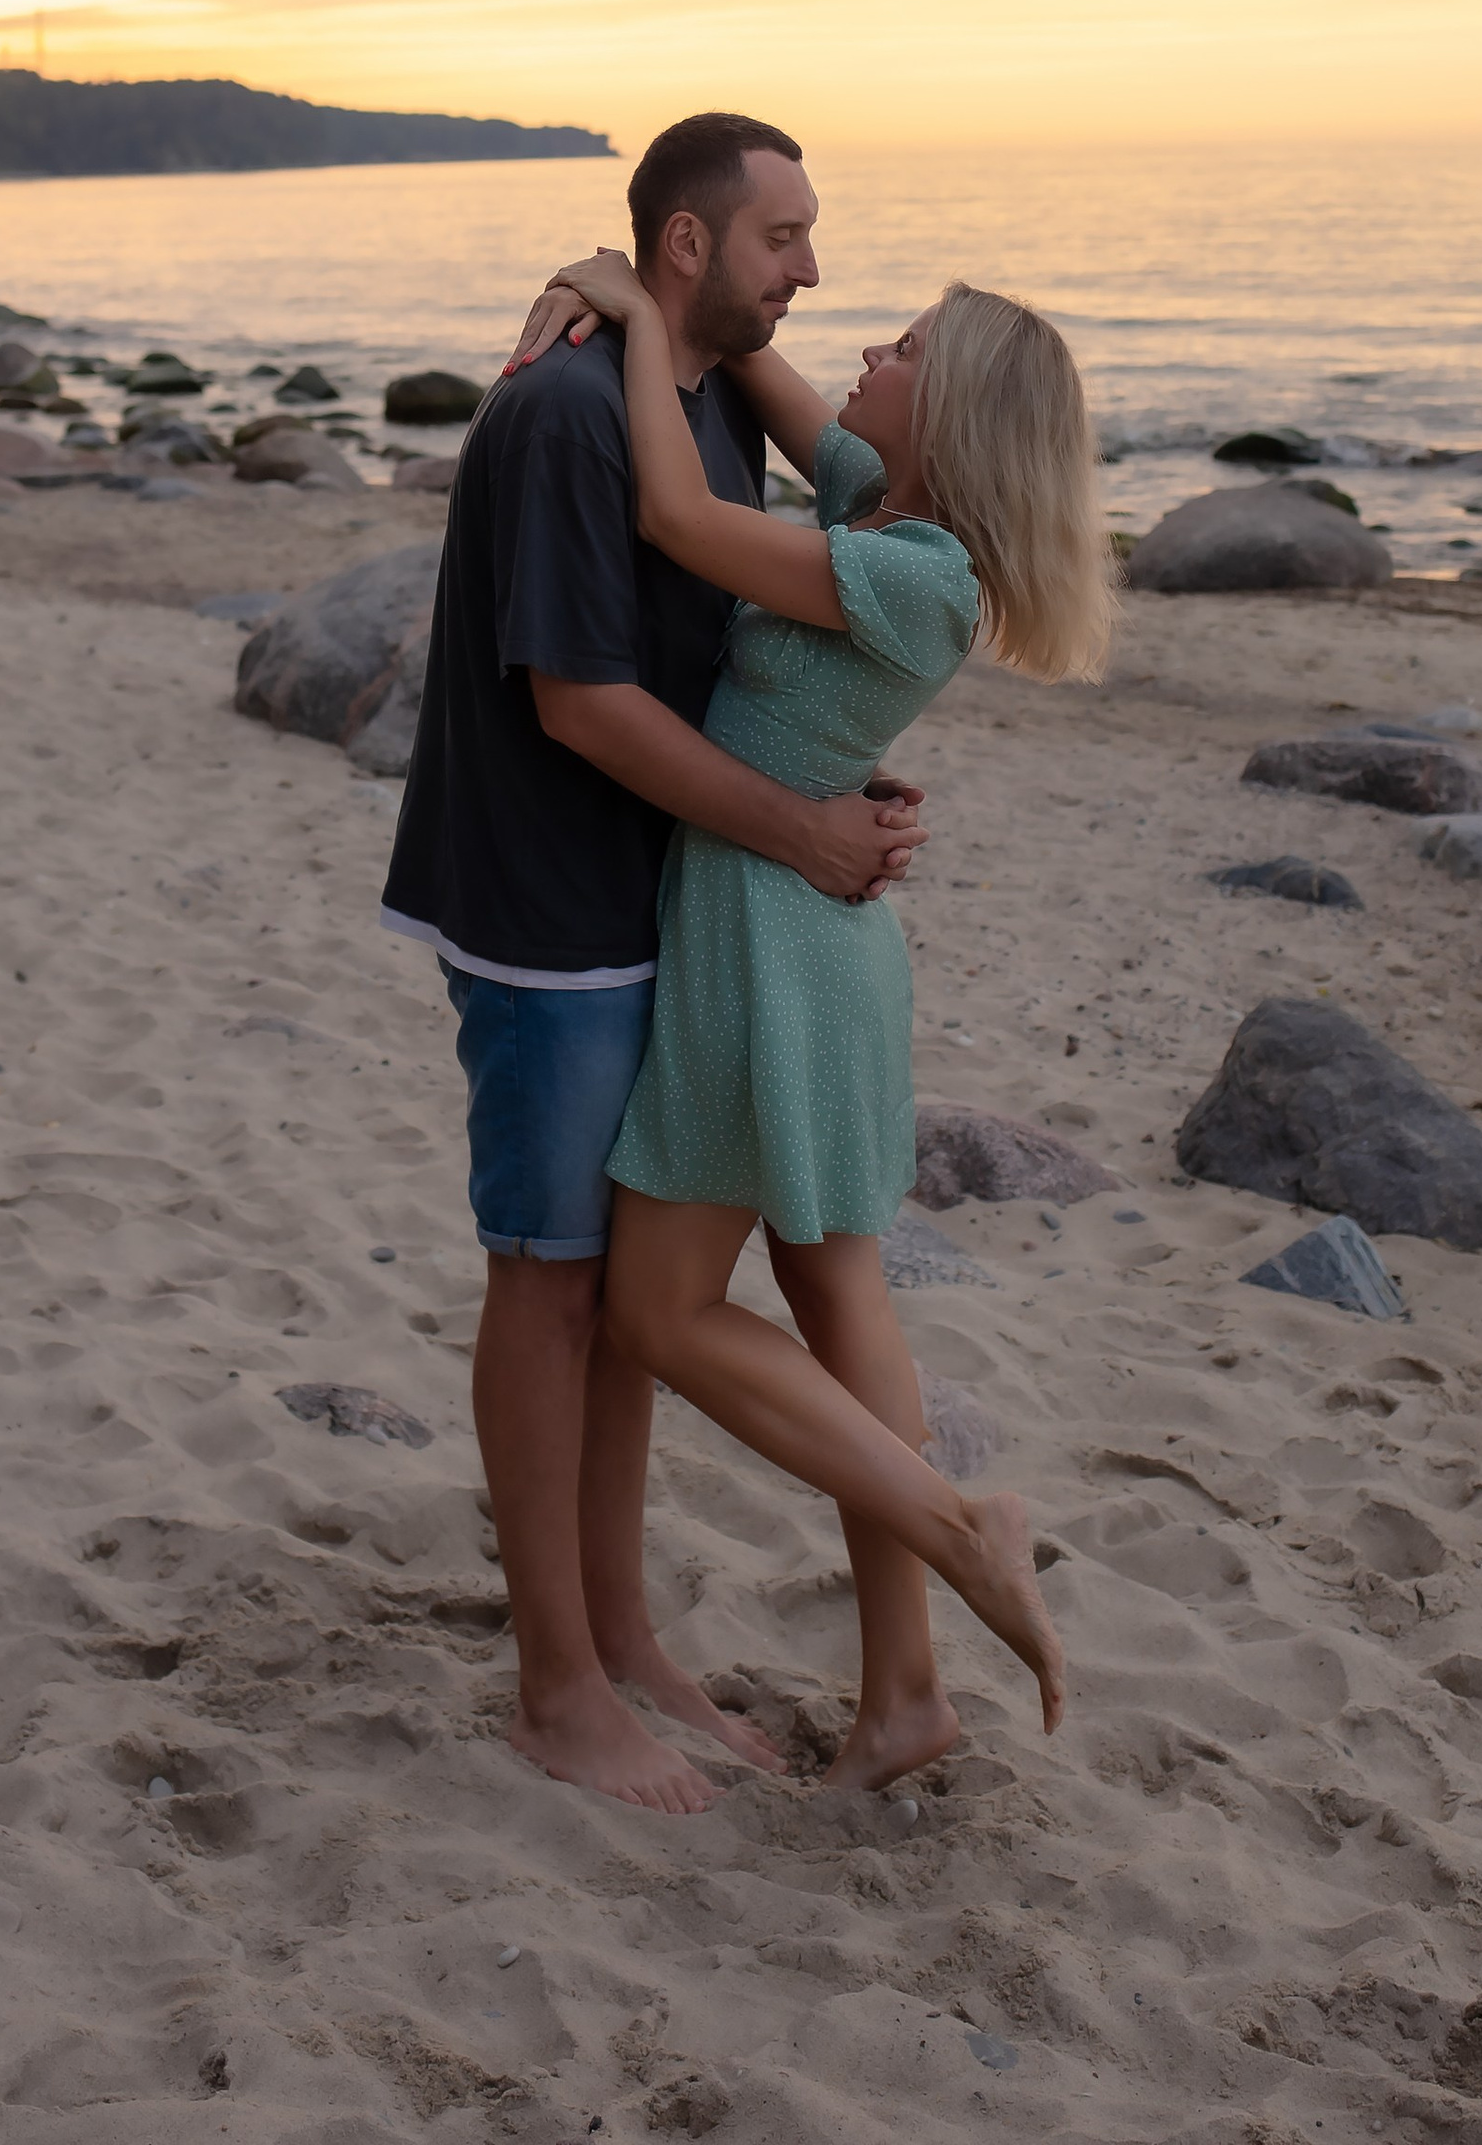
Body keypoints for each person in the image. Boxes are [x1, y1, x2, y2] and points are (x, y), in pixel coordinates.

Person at [380, 114, 926, 1814]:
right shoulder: (564, 411)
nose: (815, 269)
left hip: (655, 900)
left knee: (623, 1309)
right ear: (692, 248)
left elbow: (722, 645)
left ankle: (617, 1641)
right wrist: (799, 830)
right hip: (553, 914)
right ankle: (554, 1684)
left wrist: (827, 782)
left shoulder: (686, 390)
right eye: (783, 238)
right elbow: (580, 701)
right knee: (547, 1288)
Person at [528, 241, 1110, 1782]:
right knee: (842, 1302)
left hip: (767, 941)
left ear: (959, 415)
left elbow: (673, 512)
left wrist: (645, 313)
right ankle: (905, 1696)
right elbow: (777, 382)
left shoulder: (913, 571)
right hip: (817, 941)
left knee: (656, 1314)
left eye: (906, 347)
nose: (868, 350)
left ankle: (955, 1524)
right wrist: (697, 291)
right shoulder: (885, 504)